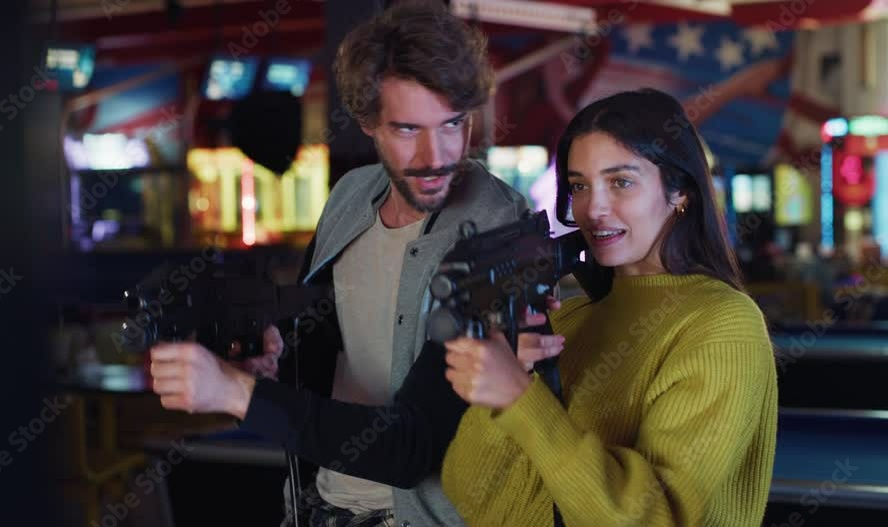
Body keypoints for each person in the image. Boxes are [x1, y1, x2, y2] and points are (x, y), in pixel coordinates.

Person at [148, 3, 558, 526]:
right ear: (368, 123)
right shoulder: (350, 196)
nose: (436, 155)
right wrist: (272, 364)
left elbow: (412, 448)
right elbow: (329, 352)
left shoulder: (499, 227)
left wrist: (237, 393)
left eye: (452, 123)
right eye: (408, 129)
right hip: (321, 505)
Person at [440, 88, 779, 526]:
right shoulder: (567, 317)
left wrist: (520, 398)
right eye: (579, 186)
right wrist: (509, 387)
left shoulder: (723, 323)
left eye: (620, 182)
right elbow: (467, 494)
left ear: (680, 191)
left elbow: (652, 519)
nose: (594, 208)